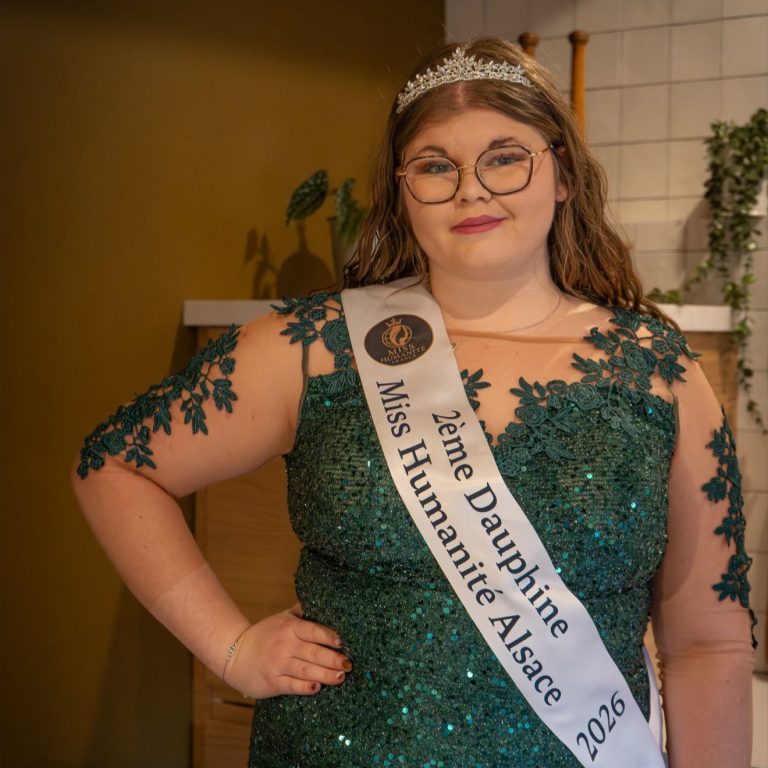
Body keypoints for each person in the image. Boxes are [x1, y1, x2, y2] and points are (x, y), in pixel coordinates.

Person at [72, 37, 756, 768]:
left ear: (562, 174)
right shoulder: (313, 347)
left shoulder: (660, 374)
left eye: (504, 157)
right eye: (434, 166)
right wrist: (231, 647)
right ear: (401, 189)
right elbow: (112, 466)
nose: (471, 190)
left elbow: (707, 645)